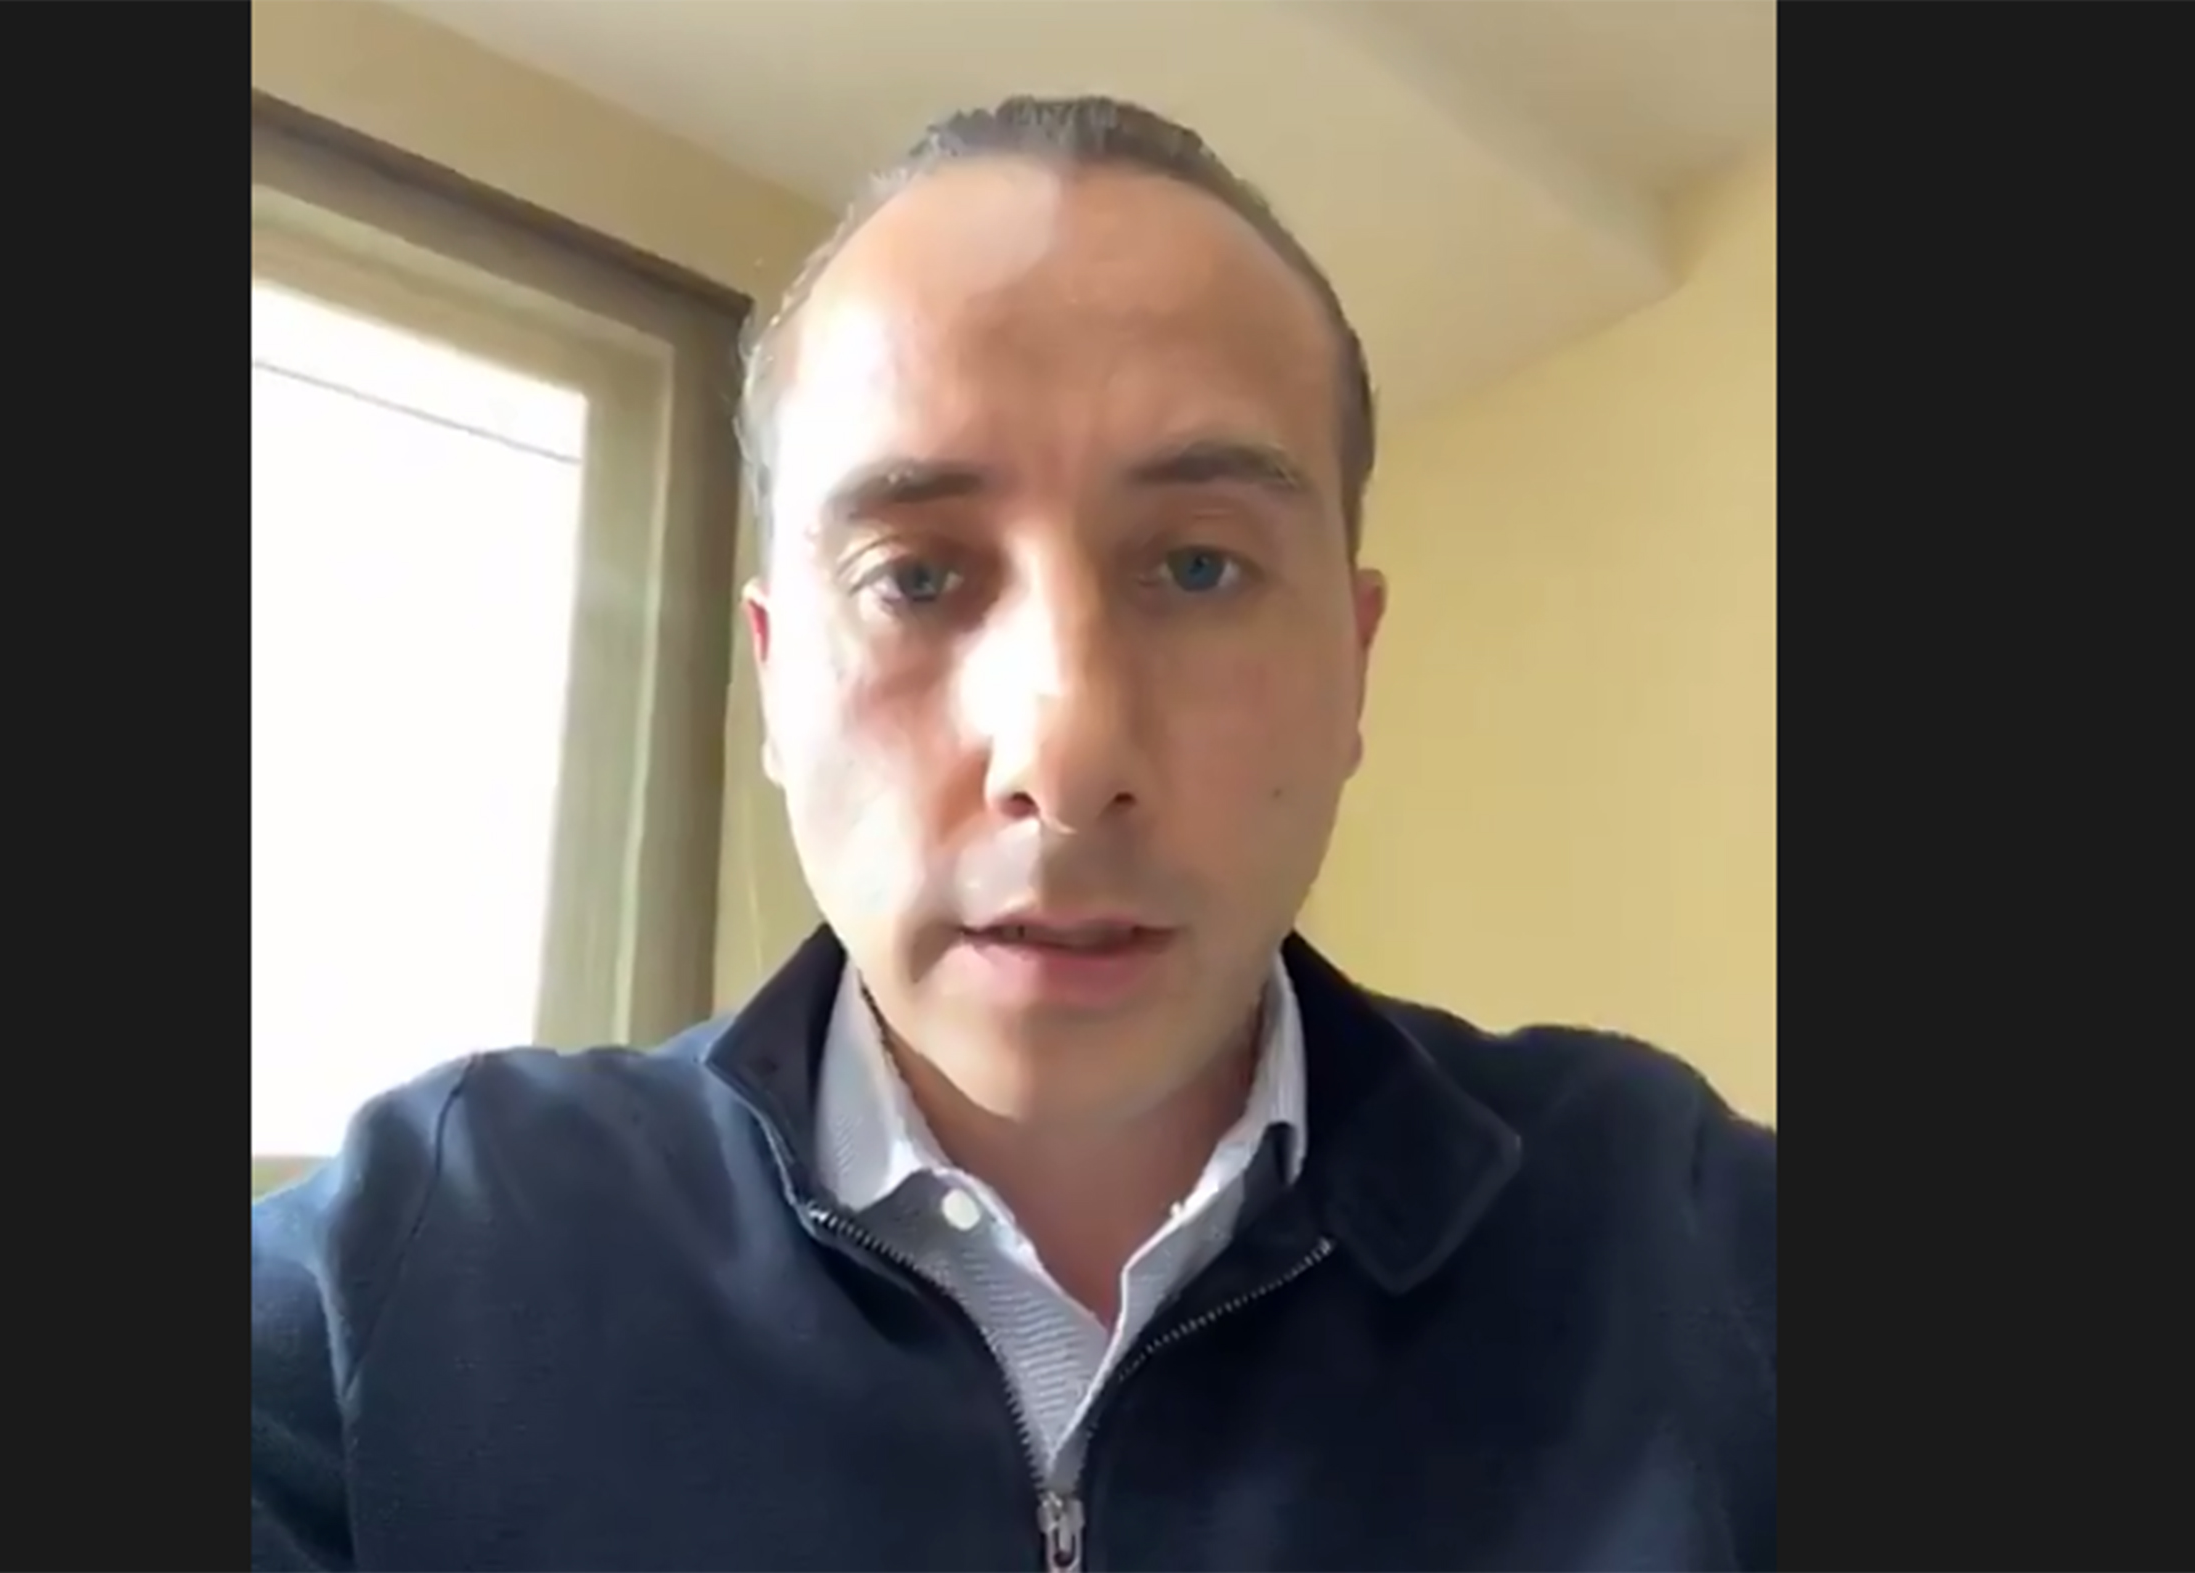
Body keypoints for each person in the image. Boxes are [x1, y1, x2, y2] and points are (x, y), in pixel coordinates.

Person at [251, 95, 1775, 1572]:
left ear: (1352, 669)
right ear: (773, 681)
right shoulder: (422, 1259)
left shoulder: (1677, 1238)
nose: (1064, 756)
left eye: (1197, 566)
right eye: (914, 578)